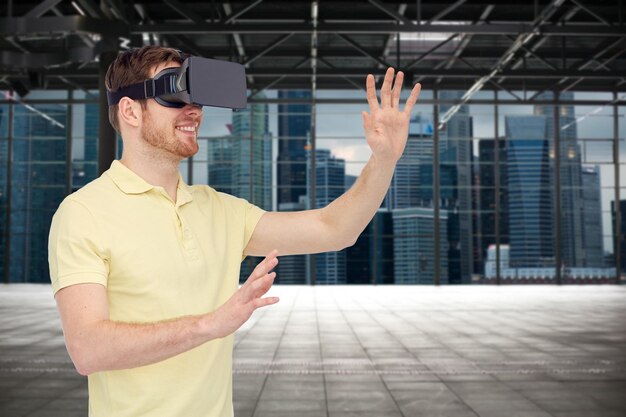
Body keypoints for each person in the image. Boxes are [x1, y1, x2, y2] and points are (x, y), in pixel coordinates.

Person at [48, 45, 421, 417]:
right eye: (173, 94)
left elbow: (334, 229)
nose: (193, 109)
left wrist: (384, 159)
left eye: (195, 97)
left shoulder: (220, 210)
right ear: (130, 110)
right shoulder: (84, 212)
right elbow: (88, 349)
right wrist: (211, 324)